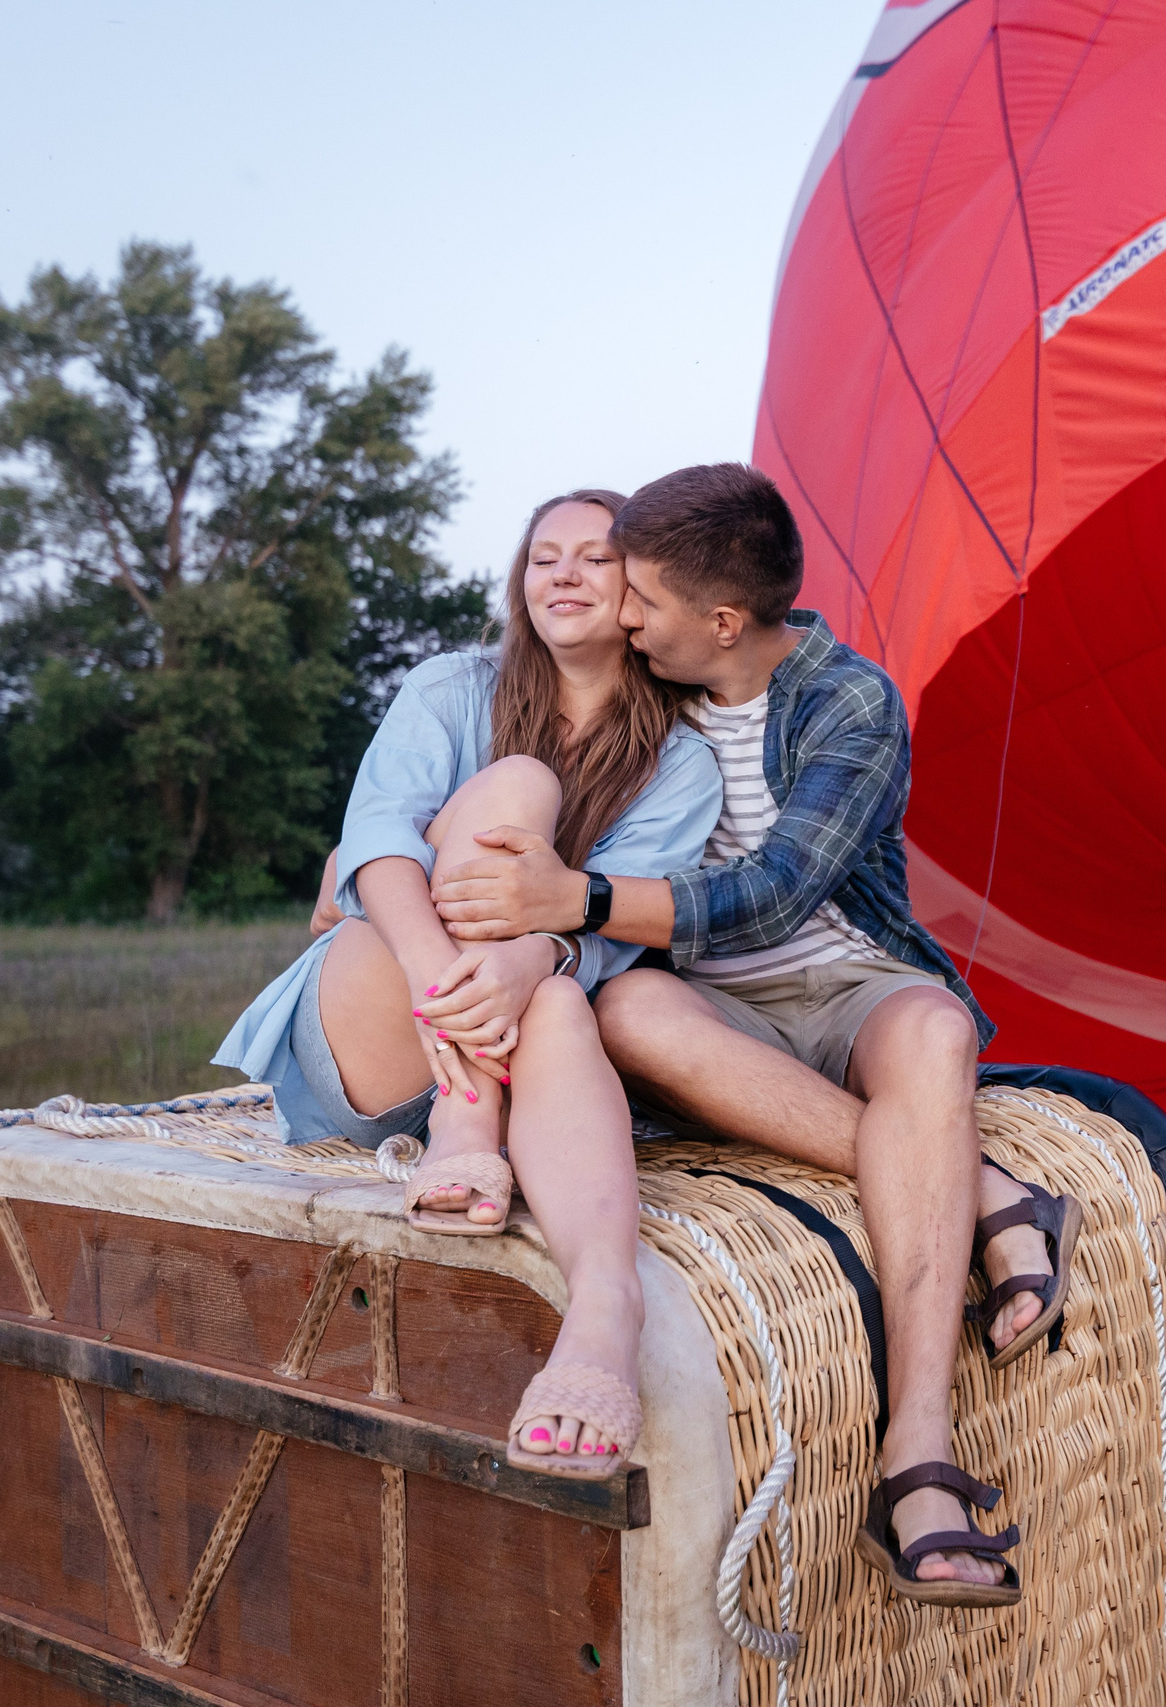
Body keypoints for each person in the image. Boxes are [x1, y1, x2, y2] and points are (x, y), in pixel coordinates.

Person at [429, 463, 1071, 1609]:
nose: (621, 612)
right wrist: (373, 846)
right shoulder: (644, 686)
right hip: (699, 1002)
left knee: (933, 1032)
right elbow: (499, 767)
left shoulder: (849, 703)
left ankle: (916, 1453)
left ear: (723, 621)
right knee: (623, 1010)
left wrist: (576, 900)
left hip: (847, 976)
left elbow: (775, 895)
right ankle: (982, 1187)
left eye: (642, 598)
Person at [214, 488, 721, 1481]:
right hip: (383, 1009)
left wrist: (529, 960)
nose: (563, 573)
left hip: (526, 1032)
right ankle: (463, 1117)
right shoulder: (453, 686)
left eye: (594, 557)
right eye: (544, 556)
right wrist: (438, 974)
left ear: (639, 590)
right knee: (520, 785)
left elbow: (619, 925)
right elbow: (373, 843)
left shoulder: (682, 764)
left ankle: (604, 1310)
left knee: (562, 993)